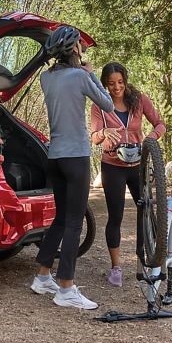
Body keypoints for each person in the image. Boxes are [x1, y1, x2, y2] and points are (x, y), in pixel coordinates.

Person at [29, 25, 114, 310]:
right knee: (74, 222)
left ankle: (43, 277)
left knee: (62, 218)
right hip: (76, 157)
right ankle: (66, 287)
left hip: (55, 157)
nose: (82, 48)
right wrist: (91, 74)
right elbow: (107, 104)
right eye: (79, 45)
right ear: (74, 49)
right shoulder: (80, 76)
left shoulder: (45, 78)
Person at [89, 62, 166, 287]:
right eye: (111, 84)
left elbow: (160, 124)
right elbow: (93, 137)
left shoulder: (139, 99)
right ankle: (116, 268)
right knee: (116, 217)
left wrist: (151, 138)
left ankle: (145, 261)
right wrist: (103, 133)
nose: (117, 87)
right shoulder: (99, 105)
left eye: (120, 82)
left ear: (126, 80)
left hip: (137, 166)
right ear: (105, 84)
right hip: (112, 166)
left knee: (146, 211)